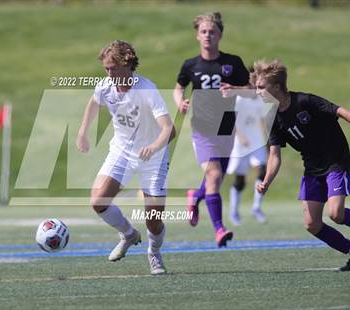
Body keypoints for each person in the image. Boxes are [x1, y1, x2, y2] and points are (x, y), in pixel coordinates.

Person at [77, 40, 174, 275]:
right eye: (106, 69)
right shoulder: (105, 86)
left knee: (153, 219)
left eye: (113, 68)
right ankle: (129, 234)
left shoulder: (147, 89)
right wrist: (83, 132)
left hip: (153, 156)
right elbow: (93, 102)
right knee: (98, 200)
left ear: (127, 64)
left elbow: (169, 129)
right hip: (122, 151)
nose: (109, 73)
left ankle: (154, 253)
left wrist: (152, 147)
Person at [254, 59, 350, 271]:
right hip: (312, 168)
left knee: (336, 214)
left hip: (335, 160)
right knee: (312, 224)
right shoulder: (271, 117)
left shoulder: (305, 101)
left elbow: (339, 111)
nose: (257, 91)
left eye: (261, 87)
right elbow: (274, 154)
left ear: (277, 87)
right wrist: (266, 182)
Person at [173, 12, 249, 246]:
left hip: (227, 129)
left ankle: (195, 196)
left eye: (212, 32)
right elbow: (178, 88)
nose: (208, 35)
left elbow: (251, 88)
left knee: (216, 179)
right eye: (204, 32)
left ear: (220, 35)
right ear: (197, 36)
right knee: (214, 175)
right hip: (202, 130)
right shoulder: (190, 65)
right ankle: (219, 229)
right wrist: (180, 102)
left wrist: (235, 89)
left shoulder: (232, 63)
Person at [226, 94, 268, 225]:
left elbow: (262, 119)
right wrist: (240, 135)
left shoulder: (261, 99)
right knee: (240, 181)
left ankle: (256, 207)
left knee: (262, 171)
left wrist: (267, 139)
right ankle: (234, 212)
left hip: (257, 142)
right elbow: (229, 120)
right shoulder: (238, 99)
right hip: (241, 144)